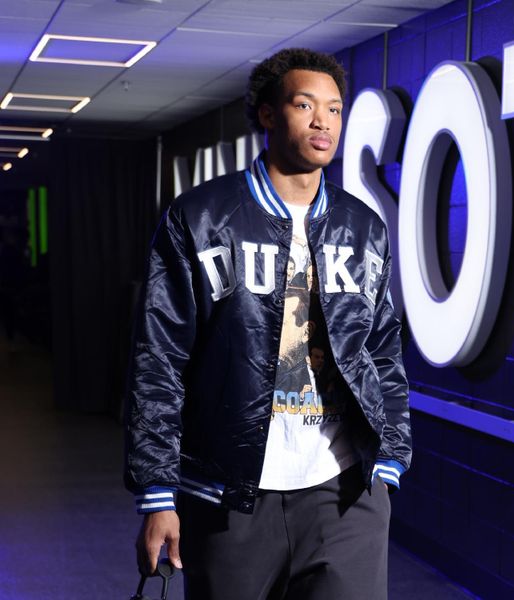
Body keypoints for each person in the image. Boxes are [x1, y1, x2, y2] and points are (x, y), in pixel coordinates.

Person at [124, 47, 411, 600]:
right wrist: (159, 493)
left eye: (334, 108)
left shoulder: (363, 226)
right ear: (267, 114)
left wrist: (391, 457)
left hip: (346, 491)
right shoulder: (201, 218)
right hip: (230, 493)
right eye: (305, 104)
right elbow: (159, 358)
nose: (323, 120)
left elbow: (382, 349)